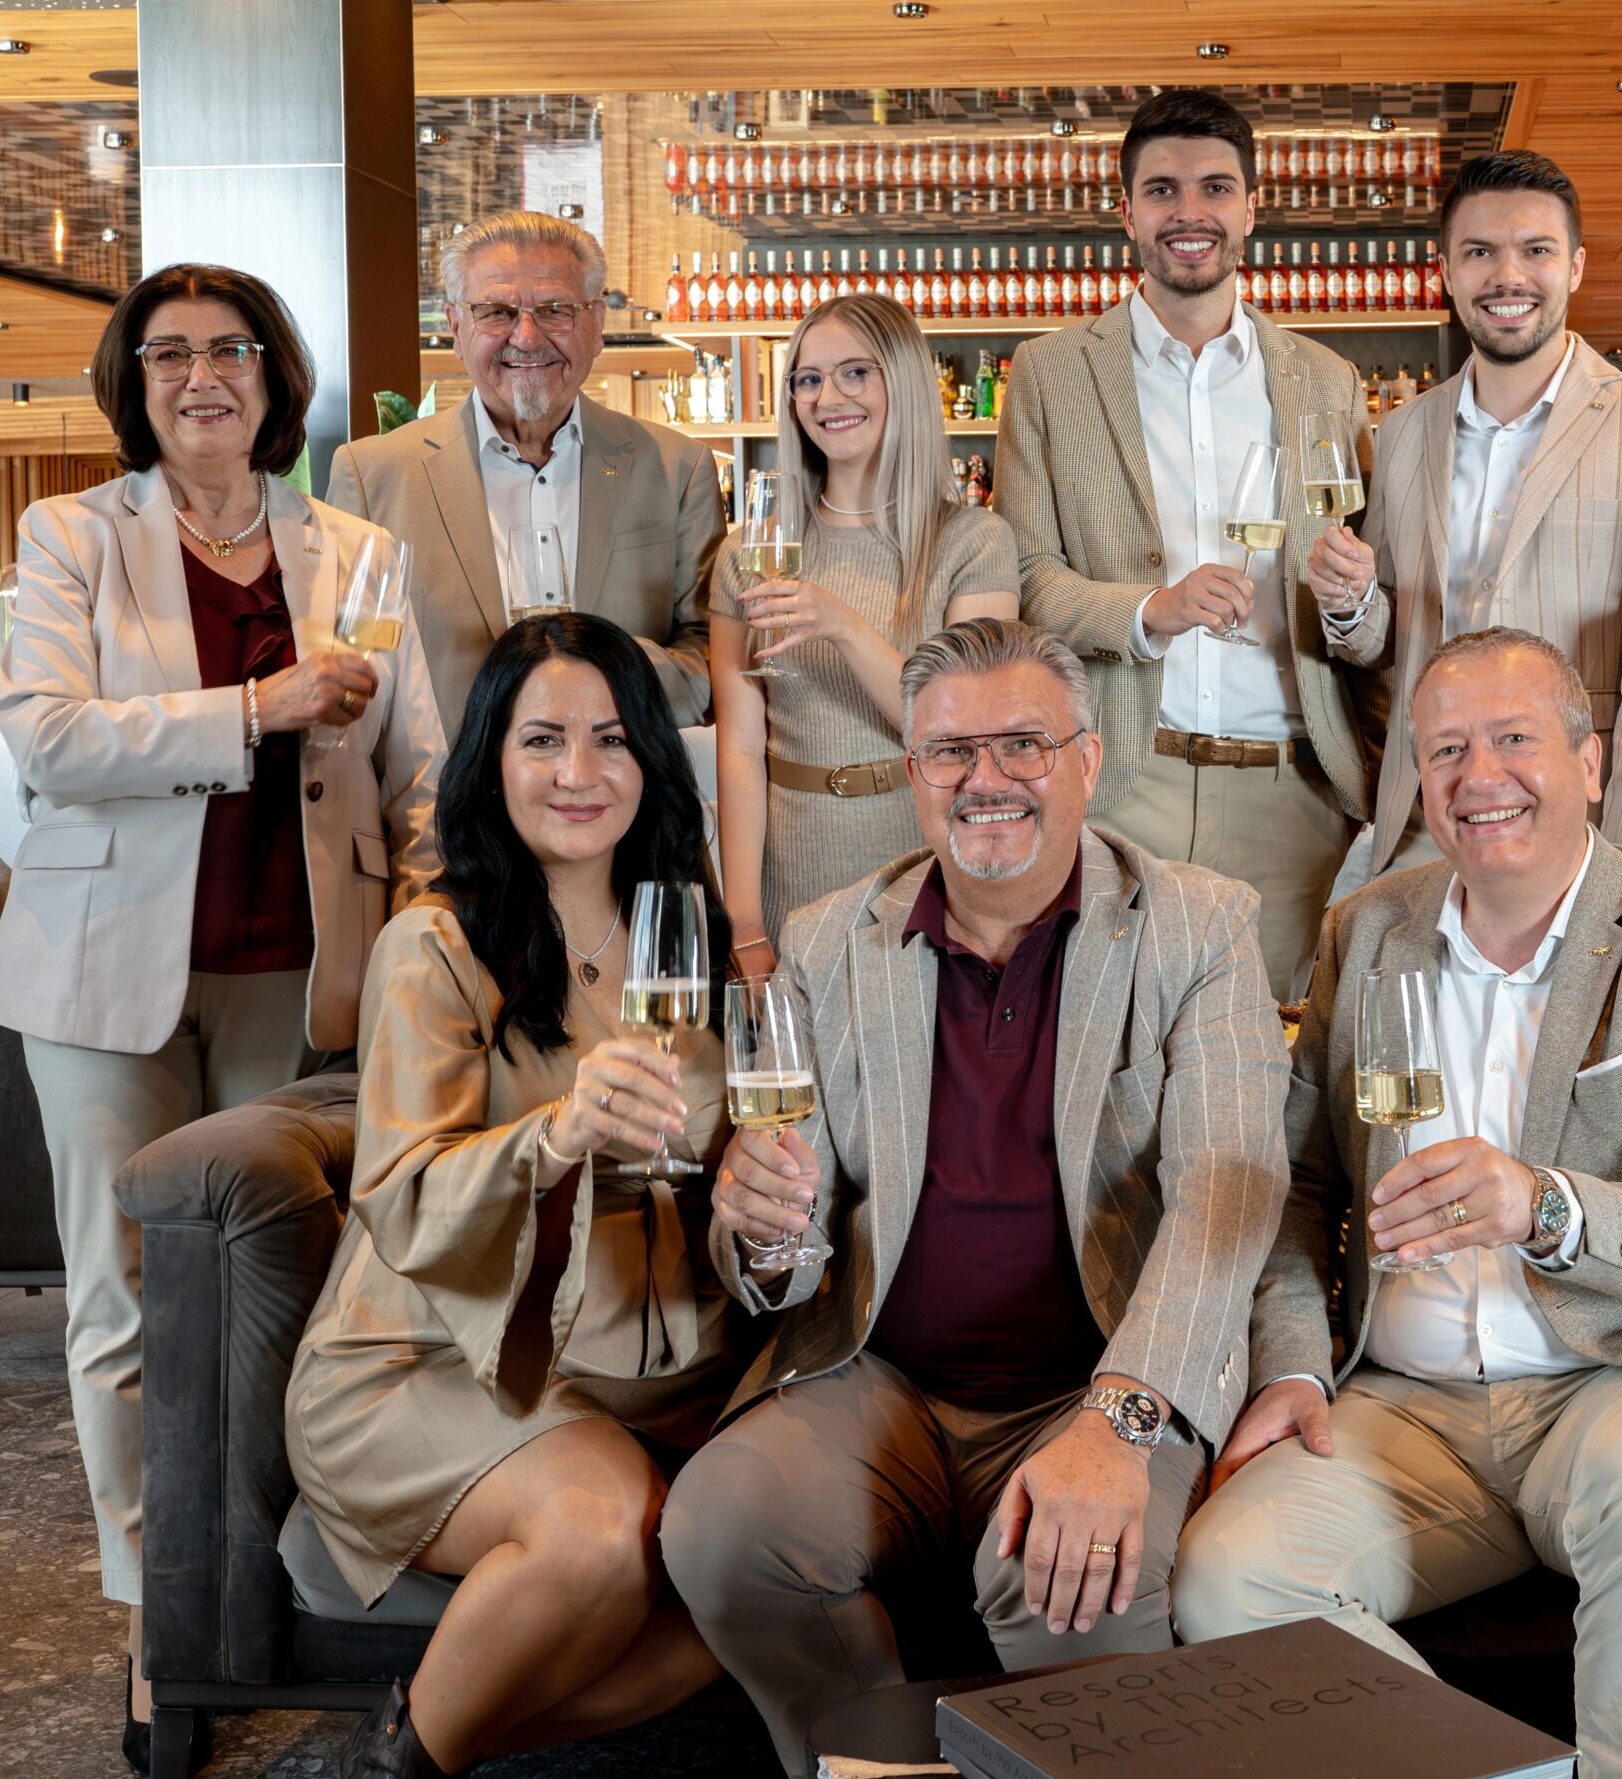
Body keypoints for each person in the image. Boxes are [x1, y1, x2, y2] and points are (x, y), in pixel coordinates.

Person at [1174, 627, 1622, 1779]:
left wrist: (1542, 1206)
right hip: (1403, 1401)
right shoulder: (1365, 931)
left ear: (1586, 759)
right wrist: (1287, 1365)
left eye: (1513, 740)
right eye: (1446, 752)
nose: (1479, 778)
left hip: (1619, 1376)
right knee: (1230, 1576)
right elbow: (1295, 1183)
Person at [660, 619, 1290, 1778]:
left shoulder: (1200, 924)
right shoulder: (824, 942)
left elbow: (1227, 1196)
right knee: (721, 1527)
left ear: (1087, 762)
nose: (984, 779)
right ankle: (879, 1769)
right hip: (881, 1379)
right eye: (949, 752)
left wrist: (1123, 1415)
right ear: (911, 776)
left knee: (1071, 1574)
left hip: (1096, 1372)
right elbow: (786, 1240)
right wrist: (758, 1223)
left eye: (1022, 745)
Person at [0, 262, 441, 1768]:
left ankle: (262, 1589)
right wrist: (255, 710)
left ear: (276, 375)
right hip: (107, 975)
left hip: (298, 964)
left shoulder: (355, 544)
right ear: (132, 380)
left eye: (231, 350)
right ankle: (157, 1622)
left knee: (275, 1294)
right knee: (126, 1299)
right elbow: (52, 742)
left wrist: (447, 897)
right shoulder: (69, 534)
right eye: (171, 352)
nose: (203, 375)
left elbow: (416, 761)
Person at [287, 614, 755, 1777]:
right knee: (603, 1531)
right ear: (492, 759)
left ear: (652, 758)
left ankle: (410, 1751)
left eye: (609, 738)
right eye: (542, 738)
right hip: (426, 1358)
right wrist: (556, 1134)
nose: (579, 772)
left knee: (751, 1572)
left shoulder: (684, 942)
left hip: (641, 1371)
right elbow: (399, 1196)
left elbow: (726, 1170)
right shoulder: (434, 945)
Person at [998, 88, 1374, 997]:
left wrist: (1356, 600)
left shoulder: (1325, 381)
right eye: (1163, 190)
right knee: (1107, 1058)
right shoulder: (1050, 371)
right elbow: (1024, 578)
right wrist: (1146, 611)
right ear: (1126, 212)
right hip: (1123, 780)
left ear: (1251, 206)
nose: (1190, 212)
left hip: (1291, 798)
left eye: (1215, 187)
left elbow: (1368, 623)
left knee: (1275, 1073)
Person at [1308, 150, 1622, 871]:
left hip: (1574, 817)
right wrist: (1350, 602)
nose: (1508, 276)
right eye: (1481, 252)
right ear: (1448, 272)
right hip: (1428, 811)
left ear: (1575, 267)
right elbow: (1381, 642)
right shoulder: (1401, 432)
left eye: (1537, 250)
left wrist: (1621, 844)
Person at [327, 210, 722, 734]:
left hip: (616, 797)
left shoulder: (678, 469)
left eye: (556, 309)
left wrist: (607, 677)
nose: (527, 337)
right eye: (497, 311)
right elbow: (343, 660)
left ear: (596, 322)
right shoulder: (372, 476)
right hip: (435, 803)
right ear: (455, 325)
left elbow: (712, 647)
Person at [712, 291, 1018, 961]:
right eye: (808, 379)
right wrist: (743, 921)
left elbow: (966, 731)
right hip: (792, 867)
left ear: (902, 382)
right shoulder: (747, 553)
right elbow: (738, 750)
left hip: (927, 856)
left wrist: (845, 627)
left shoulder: (974, 543)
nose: (828, 398)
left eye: (855, 372)